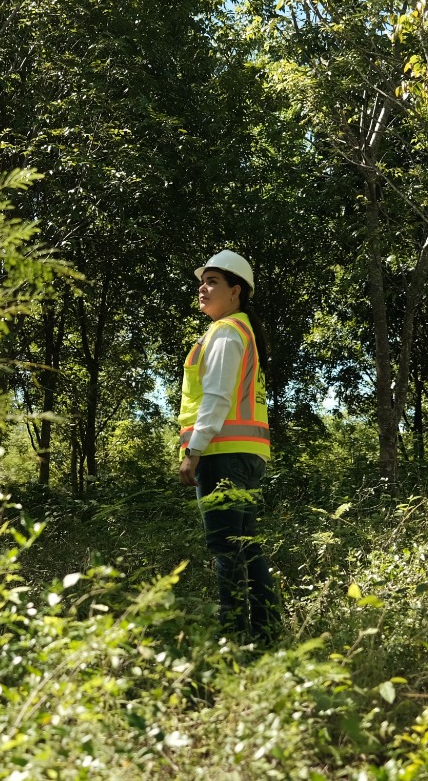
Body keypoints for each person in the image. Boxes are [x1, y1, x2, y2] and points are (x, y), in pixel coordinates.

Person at [177, 249, 280, 641]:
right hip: (246, 456)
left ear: (236, 291)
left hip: (222, 456)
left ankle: (234, 638)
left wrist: (194, 451)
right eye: (203, 282)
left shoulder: (225, 333)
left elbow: (217, 397)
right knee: (246, 548)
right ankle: (266, 635)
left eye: (213, 282)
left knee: (226, 550)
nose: (203, 289)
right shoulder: (241, 331)